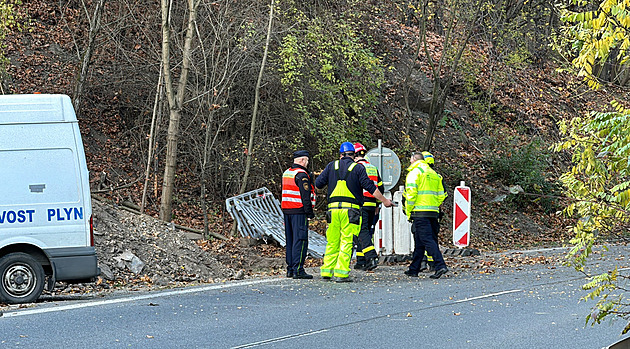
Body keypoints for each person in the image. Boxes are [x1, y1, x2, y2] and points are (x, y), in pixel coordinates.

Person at [315, 142, 394, 282]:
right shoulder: (357, 168)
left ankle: (327, 271)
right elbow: (370, 187)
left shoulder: (331, 166)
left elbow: (318, 184)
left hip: (332, 210)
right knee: (346, 241)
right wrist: (384, 201)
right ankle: (341, 273)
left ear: (340, 155)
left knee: (332, 241)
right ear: (354, 155)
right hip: (350, 211)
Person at [403, 151, 449, 279]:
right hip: (433, 212)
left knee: (427, 240)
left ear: (414, 159)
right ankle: (414, 269)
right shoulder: (434, 174)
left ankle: (440, 265)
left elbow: (411, 194)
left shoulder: (414, 173)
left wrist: (409, 211)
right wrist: (432, 204)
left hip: (419, 212)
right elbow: (441, 196)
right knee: (420, 241)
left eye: (411, 159)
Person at [281, 150, 316, 279]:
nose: (307, 164)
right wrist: (309, 213)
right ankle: (298, 269)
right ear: (302, 160)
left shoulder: (287, 173)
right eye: (306, 161)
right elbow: (305, 196)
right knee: (300, 240)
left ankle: (290, 269)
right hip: (298, 211)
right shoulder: (301, 175)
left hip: (287, 211)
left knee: (290, 240)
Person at [352, 142, 384, 271]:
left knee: (361, 231)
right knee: (365, 232)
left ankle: (371, 257)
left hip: (361, 204)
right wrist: (377, 204)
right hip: (372, 205)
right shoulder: (372, 168)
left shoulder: (355, 168)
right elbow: (380, 187)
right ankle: (361, 261)